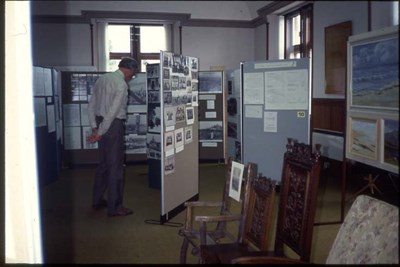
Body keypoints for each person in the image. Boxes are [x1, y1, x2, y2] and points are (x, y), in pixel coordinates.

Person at [87, 57, 138, 217]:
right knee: (115, 167)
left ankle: (97, 200)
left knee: (103, 164)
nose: (132, 76)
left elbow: (91, 106)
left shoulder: (102, 79)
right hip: (113, 126)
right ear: (129, 69)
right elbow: (113, 112)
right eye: (133, 73)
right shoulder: (121, 84)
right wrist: (100, 132)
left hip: (100, 123)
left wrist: (95, 128)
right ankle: (115, 207)